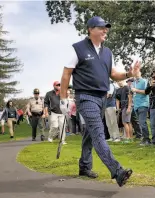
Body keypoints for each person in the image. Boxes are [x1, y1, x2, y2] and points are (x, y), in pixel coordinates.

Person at [59, 16, 138, 187]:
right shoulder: (77, 49)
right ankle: (117, 171)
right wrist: (63, 98)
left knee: (90, 133)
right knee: (98, 132)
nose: (105, 31)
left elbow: (113, 74)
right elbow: (66, 74)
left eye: (106, 28)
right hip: (85, 97)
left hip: (102, 98)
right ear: (90, 29)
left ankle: (84, 167)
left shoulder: (107, 52)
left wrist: (128, 74)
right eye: (101, 28)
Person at [131, 71, 151, 145]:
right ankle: (144, 138)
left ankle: (147, 139)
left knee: (142, 123)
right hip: (136, 105)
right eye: (135, 73)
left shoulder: (144, 81)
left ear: (140, 73)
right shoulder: (133, 83)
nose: (136, 74)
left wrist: (136, 90)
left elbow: (146, 92)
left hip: (143, 104)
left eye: (137, 73)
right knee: (140, 123)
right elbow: (132, 94)